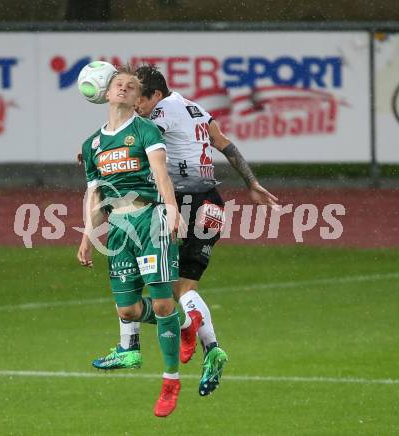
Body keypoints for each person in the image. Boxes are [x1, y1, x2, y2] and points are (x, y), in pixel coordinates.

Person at [92, 65, 279, 397]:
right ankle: (213, 349)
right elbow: (226, 144)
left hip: (181, 204)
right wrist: (251, 182)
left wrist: (98, 151)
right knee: (185, 287)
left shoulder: (158, 116)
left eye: (140, 99)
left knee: (147, 280)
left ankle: (132, 345)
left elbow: (136, 146)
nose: (136, 105)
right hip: (212, 204)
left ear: (156, 96)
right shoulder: (195, 108)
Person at [77, 65, 185, 418]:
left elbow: (160, 173)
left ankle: (170, 381)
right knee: (128, 310)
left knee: (163, 302)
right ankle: (155, 338)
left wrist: (171, 210)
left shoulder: (144, 129)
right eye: (118, 84)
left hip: (149, 218)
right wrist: (89, 235)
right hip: (119, 227)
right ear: (106, 94)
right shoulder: (92, 144)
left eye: (132, 86)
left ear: (139, 98)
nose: (124, 88)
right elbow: (94, 196)